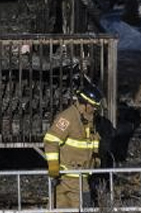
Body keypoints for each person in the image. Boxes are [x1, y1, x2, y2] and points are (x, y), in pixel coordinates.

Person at [44, 83, 102, 211]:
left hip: (81, 176)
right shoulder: (68, 118)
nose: (96, 110)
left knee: (60, 207)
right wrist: (53, 167)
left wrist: (96, 163)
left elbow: (91, 144)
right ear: (85, 104)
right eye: (94, 106)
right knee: (82, 208)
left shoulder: (89, 120)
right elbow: (51, 141)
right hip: (68, 176)